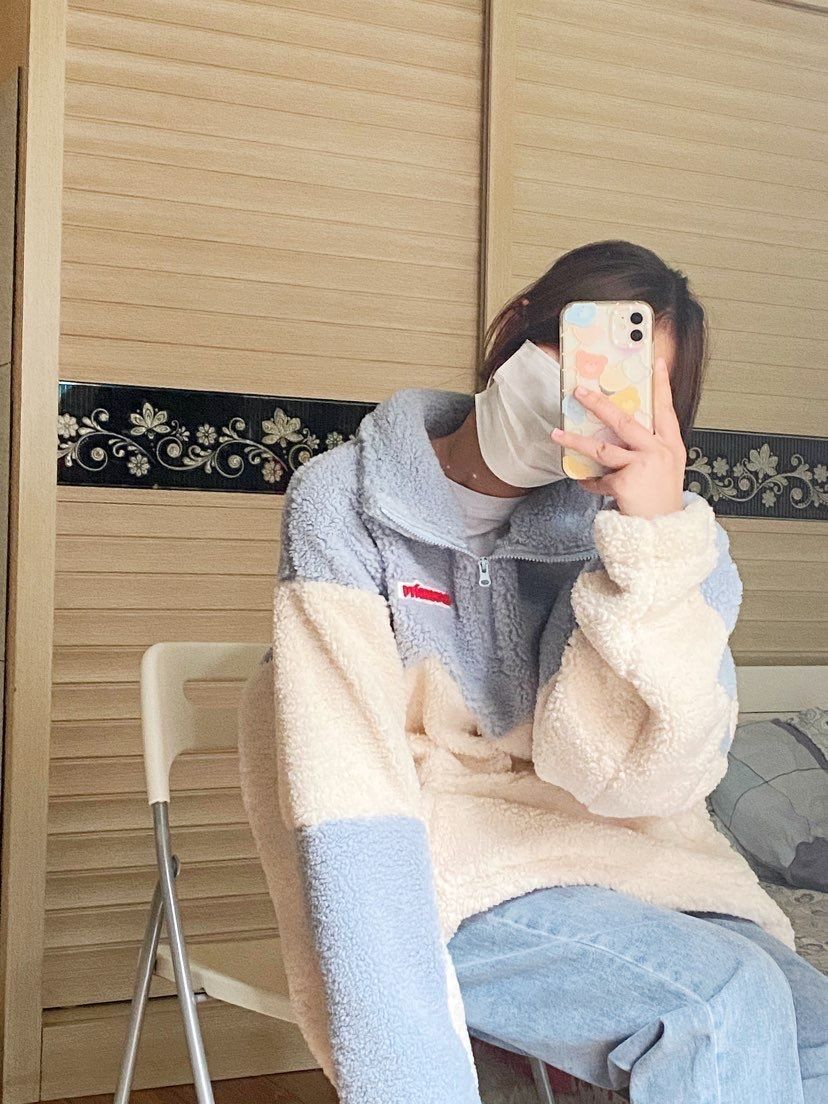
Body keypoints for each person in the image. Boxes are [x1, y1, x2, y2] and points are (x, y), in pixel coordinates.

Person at [238, 240, 828, 1104]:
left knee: (812, 1023)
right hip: (441, 866)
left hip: (607, 852)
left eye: (631, 393)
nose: (594, 403)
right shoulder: (348, 500)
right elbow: (347, 789)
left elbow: (633, 782)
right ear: (517, 326)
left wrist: (648, 551)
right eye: (585, 363)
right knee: (717, 1001)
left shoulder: (658, 541)